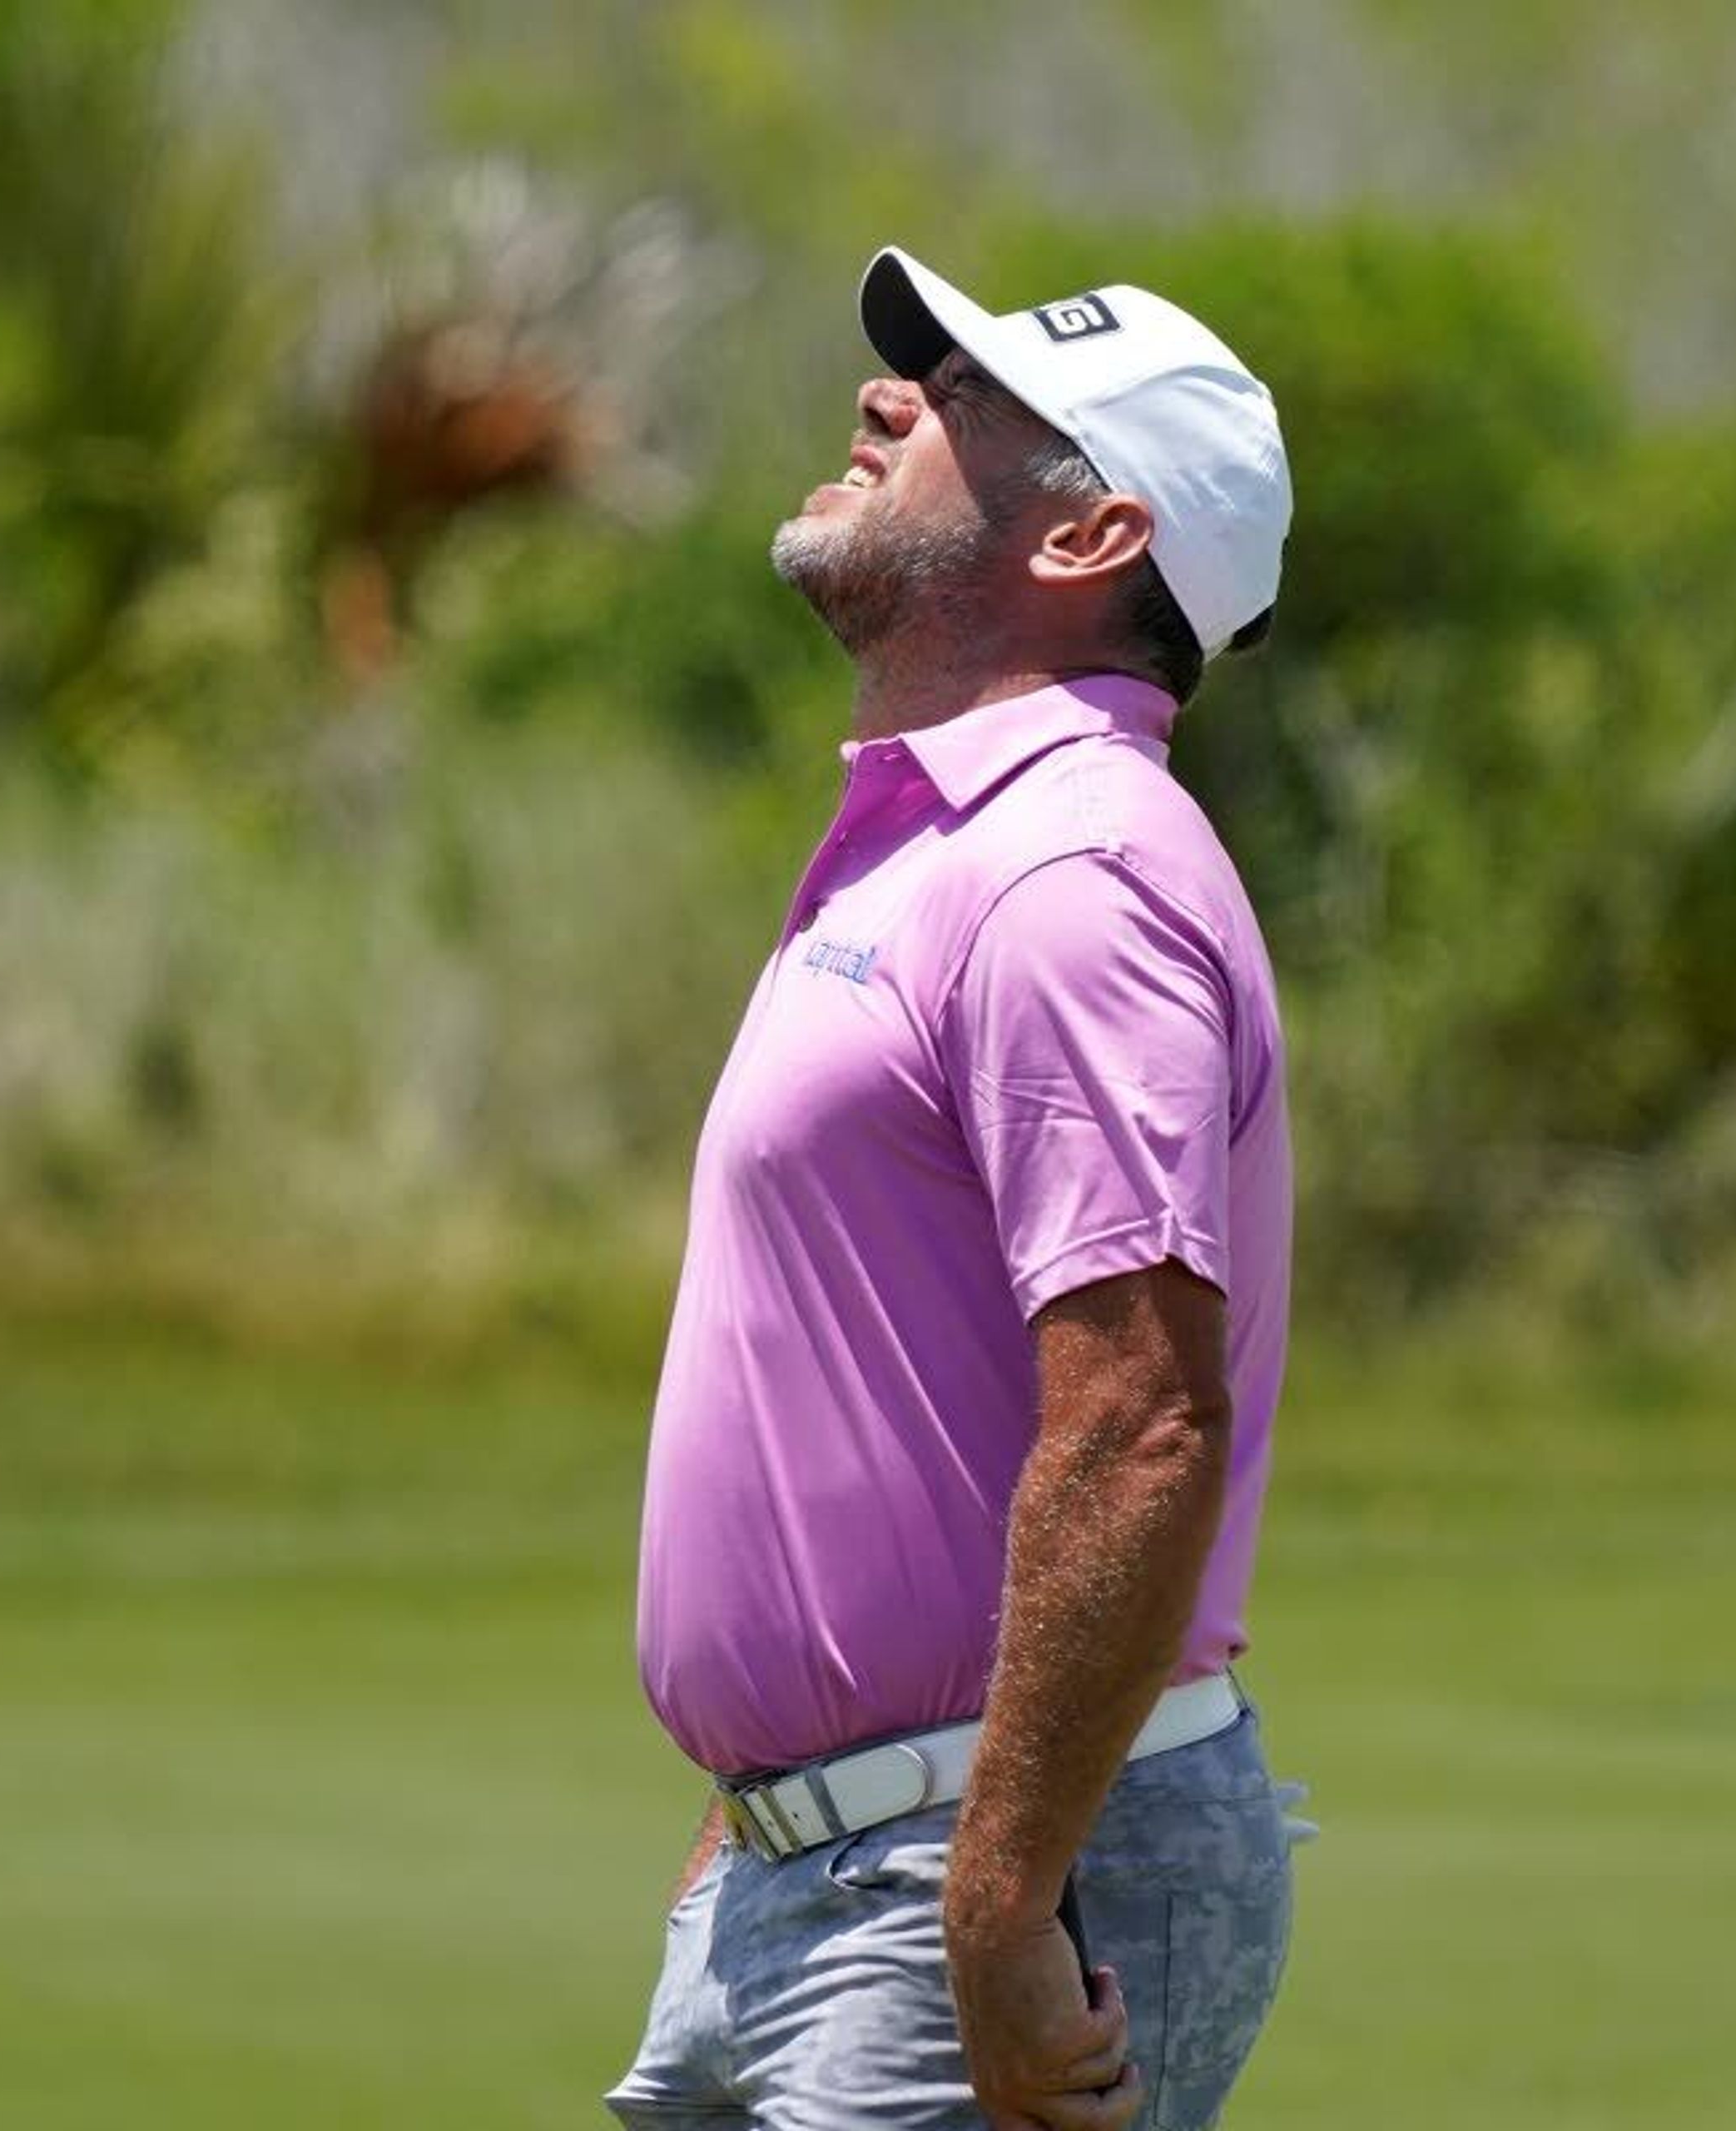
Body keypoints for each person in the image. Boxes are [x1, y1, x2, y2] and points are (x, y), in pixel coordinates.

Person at [603, 246, 1301, 2131]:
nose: (885, 399)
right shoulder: (935, 852)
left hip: (984, 1871)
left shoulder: (1074, 878)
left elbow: (1143, 1415)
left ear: (1091, 542)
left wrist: (992, 1899)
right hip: (821, 1859)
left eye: (965, 401)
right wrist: (765, 1797)